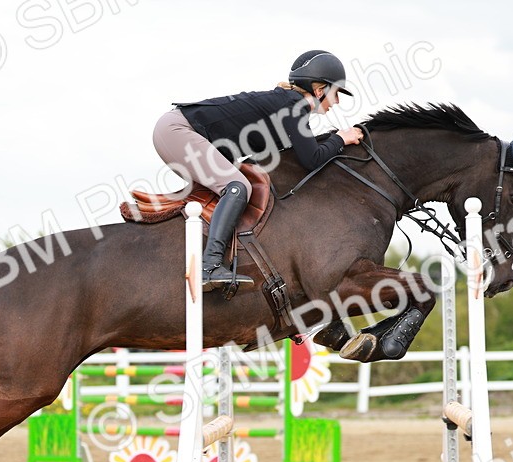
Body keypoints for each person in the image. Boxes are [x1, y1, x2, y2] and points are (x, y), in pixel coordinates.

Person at [152, 50, 365, 293]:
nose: (336, 102)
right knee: (236, 186)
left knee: (236, 185)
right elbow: (312, 158)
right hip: (178, 130)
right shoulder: (294, 106)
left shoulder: (287, 106)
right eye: (336, 93)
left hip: (178, 130)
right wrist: (340, 139)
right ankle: (209, 265)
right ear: (320, 90)